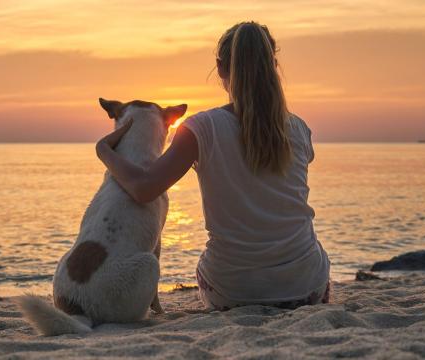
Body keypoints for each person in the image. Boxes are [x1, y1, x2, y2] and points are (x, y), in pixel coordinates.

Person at [96, 21, 330, 310]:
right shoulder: (299, 129)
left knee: (214, 266)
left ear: (220, 67)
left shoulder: (201, 128)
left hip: (232, 293)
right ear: (274, 64)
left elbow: (144, 189)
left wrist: (104, 150)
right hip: (307, 288)